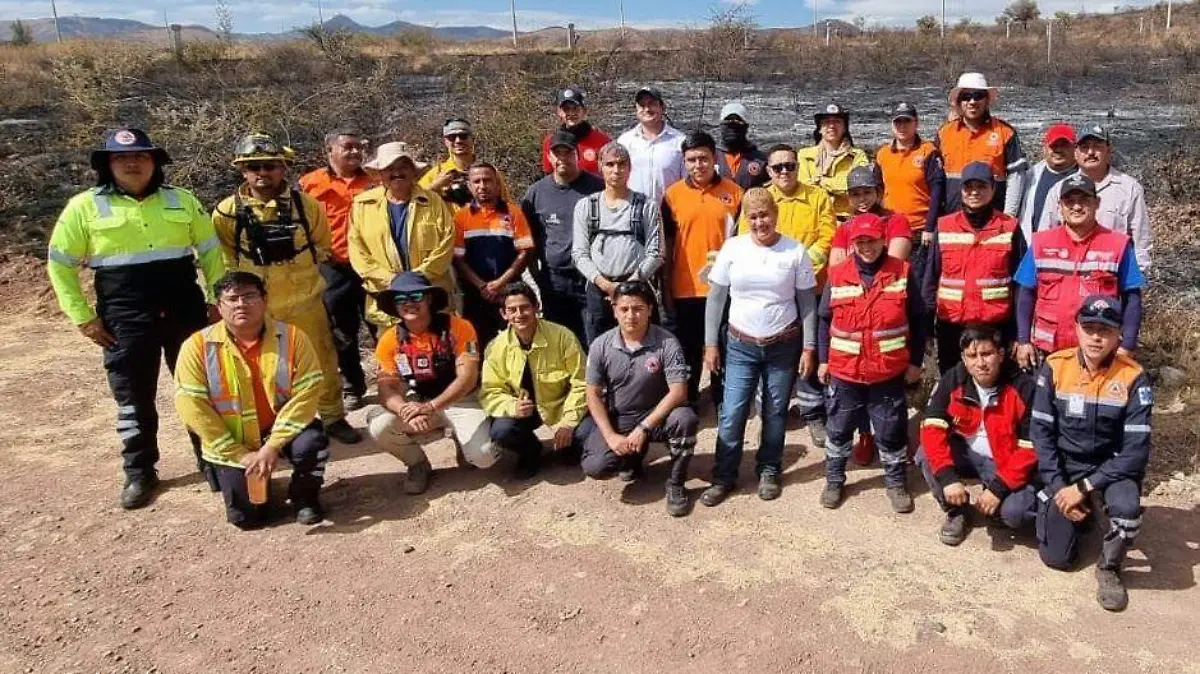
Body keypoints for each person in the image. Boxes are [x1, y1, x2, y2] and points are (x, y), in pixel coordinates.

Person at [47, 128, 226, 509]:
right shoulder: (84, 207)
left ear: (155, 163)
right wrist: (82, 318)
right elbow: (59, 266)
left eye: (142, 156)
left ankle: (213, 459)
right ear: (107, 165)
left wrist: (216, 299)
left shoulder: (182, 200)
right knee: (133, 397)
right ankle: (140, 471)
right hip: (125, 315)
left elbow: (211, 253)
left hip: (184, 309)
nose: (133, 163)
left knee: (201, 387)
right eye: (122, 158)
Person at [212, 132, 361, 445]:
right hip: (257, 307)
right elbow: (225, 258)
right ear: (243, 170)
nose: (263, 173)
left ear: (283, 168)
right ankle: (277, 425)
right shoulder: (227, 213)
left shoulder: (306, 207)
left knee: (322, 359)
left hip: (306, 301)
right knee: (264, 367)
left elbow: (322, 245)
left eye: (270, 165)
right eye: (254, 166)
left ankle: (332, 416)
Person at [174, 272, 329, 529]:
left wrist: (272, 446)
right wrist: (241, 455)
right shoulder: (196, 346)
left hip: (280, 429)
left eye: (249, 296)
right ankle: (262, 489)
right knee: (247, 519)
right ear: (218, 306)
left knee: (313, 442)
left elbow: (308, 393)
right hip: (233, 441)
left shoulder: (292, 338)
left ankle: (305, 497)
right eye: (232, 299)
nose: (241, 304)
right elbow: (192, 408)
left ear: (265, 300)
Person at [1032, 295, 1153, 612]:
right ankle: (1081, 517)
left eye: (1106, 330)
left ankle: (1110, 566)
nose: (1097, 337)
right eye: (1089, 328)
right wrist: (1060, 489)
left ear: (1118, 336)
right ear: (1077, 329)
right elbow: (1041, 436)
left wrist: (1084, 488)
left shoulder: (1133, 377)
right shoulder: (1055, 367)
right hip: (1066, 468)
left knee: (1126, 513)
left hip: (1111, 469)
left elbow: (1134, 454)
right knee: (1057, 560)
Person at [699, 188, 818, 506]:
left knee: (775, 411)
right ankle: (724, 475)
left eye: (764, 214)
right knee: (733, 410)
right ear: (745, 219)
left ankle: (769, 469)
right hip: (740, 344)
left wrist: (809, 347)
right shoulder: (733, 248)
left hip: (783, 345)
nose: (759, 222)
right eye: (752, 216)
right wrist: (711, 343)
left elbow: (807, 302)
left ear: (775, 215)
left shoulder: (794, 251)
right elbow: (716, 298)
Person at [817, 213, 927, 512]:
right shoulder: (838, 273)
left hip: (887, 371)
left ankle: (895, 483)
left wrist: (916, 361)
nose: (867, 246)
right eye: (860, 241)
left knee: (891, 431)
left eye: (872, 240)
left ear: (884, 241)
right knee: (839, 430)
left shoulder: (903, 271)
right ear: (853, 244)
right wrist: (823, 359)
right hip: (845, 371)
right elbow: (824, 318)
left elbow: (918, 319)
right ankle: (835, 479)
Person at [738, 143, 836, 442]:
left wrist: (801, 267)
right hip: (772, 294)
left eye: (790, 165)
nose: (784, 171)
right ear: (768, 170)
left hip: (811, 288)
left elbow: (828, 236)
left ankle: (812, 413)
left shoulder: (817, 197)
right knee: (770, 353)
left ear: (798, 166)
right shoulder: (759, 199)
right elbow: (746, 238)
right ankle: (766, 415)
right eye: (777, 167)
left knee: (810, 350)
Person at [365, 272, 496, 494]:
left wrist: (431, 407)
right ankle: (417, 464)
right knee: (379, 427)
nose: (409, 303)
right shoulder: (389, 339)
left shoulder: (460, 327)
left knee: (484, 457)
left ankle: (461, 438)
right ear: (394, 306)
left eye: (416, 296)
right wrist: (405, 409)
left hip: (462, 401)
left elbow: (468, 377)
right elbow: (387, 388)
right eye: (400, 299)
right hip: (418, 404)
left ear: (429, 299)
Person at [579, 281, 699, 517]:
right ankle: (632, 459)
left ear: (650, 310)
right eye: (624, 309)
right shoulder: (601, 345)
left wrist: (644, 427)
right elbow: (592, 393)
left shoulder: (667, 342)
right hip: (622, 417)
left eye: (638, 309)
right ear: (614, 310)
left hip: (658, 416)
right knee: (596, 466)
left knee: (685, 418)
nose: (631, 315)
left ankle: (676, 483)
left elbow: (678, 392)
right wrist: (611, 436)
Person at [917, 324, 1038, 546]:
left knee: (1016, 514)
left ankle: (995, 509)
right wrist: (948, 479)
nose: (980, 363)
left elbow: (1030, 448)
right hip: (967, 454)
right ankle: (958, 510)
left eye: (986, 354)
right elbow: (932, 426)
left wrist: (998, 489)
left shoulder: (1024, 387)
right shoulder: (953, 379)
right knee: (925, 455)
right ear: (964, 358)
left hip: (1003, 461)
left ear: (1001, 355)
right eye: (972, 356)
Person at [1013, 174, 1145, 370]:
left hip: (1098, 352)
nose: (1076, 207)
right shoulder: (1041, 242)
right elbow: (1025, 293)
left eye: (1084, 200)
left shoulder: (1118, 245)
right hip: (1048, 352)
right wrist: (1023, 340)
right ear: (1060, 206)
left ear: (1097, 203)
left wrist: (1127, 345)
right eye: (1070, 201)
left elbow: (1132, 298)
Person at [662, 129, 744, 404]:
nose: (698, 165)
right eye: (692, 159)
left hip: (724, 288)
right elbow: (668, 246)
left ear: (714, 158)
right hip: (685, 288)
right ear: (684, 162)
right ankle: (689, 400)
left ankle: (722, 398)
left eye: (703, 158)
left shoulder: (734, 194)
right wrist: (666, 288)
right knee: (688, 350)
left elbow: (743, 243)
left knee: (723, 345)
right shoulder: (672, 196)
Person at [923, 162, 1024, 373]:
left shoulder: (1010, 228)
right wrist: (926, 328)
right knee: (955, 391)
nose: (974, 192)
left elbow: (1021, 286)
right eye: (969, 187)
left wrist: (1018, 334)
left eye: (981, 186)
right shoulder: (944, 226)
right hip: (952, 328)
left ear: (993, 189)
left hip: (996, 328)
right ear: (961, 190)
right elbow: (930, 280)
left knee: (997, 391)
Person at [480, 282, 588, 479]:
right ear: (504, 314)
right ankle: (531, 452)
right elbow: (490, 392)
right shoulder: (496, 347)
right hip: (524, 412)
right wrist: (512, 406)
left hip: (559, 408)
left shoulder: (562, 336)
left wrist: (568, 423)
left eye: (524, 307)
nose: (519, 314)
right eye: (512, 310)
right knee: (502, 431)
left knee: (585, 434)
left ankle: (566, 444)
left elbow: (582, 382)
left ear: (536, 307)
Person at [299, 128, 374, 410]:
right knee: (341, 332)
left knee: (382, 326)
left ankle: (397, 385)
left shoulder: (375, 180)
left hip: (371, 266)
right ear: (329, 151)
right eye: (348, 147)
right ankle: (353, 386)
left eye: (359, 146)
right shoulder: (309, 184)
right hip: (333, 268)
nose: (355, 152)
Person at [348, 142, 455, 327]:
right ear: (380, 173)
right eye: (390, 168)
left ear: (413, 171)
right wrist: (392, 280)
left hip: (429, 298)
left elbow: (446, 244)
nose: (397, 173)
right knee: (390, 353)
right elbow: (358, 253)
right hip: (385, 298)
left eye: (403, 167)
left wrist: (416, 280)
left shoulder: (434, 202)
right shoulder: (361, 205)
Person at [571, 141, 664, 345]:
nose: (616, 170)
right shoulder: (586, 206)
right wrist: (605, 285)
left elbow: (656, 252)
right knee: (600, 348)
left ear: (630, 168)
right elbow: (579, 253)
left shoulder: (646, 206)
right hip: (599, 289)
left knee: (643, 348)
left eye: (622, 164)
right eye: (610, 164)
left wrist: (630, 283)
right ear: (600, 167)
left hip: (637, 286)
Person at [522, 130, 605, 345]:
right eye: (556, 154)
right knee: (560, 342)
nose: (562, 159)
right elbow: (528, 239)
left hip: (590, 278)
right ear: (549, 157)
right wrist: (537, 277)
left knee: (593, 339)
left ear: (577, 155)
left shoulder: (599, 188)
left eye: (567, 153)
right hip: (554, 281)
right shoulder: (536, 193)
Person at [1046, 124, 1152, 269]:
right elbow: (1047, 236)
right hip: (1070, 275)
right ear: (1076, 153)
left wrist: (1138, 278)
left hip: (1113, 276)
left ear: (1109, 151)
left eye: (1097, 146)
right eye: (1084, 147)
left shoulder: (1130, 189)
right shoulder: (1058, 190)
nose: (1090, 152)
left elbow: (1141, 241)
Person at [453, 162, 536, 348]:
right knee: (476, 344)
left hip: (509, 292)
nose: (482, 186)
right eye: (477, 181)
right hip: (475, 294)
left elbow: (525, 253)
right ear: (469, 186)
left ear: (497, 184)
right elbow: (458, 259)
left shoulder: (513, 213)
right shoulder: (461, 217)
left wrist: (500, 284)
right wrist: (482, 286)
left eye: (487, 180)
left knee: (517, 342)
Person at [936, 72, 1028, 216]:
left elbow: (1016, 176)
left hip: (994, 220)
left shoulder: (1005, 132)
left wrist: (1009, 214)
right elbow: (935, 179)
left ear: (987, 100)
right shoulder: (944, 133)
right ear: (959, 102)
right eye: (966, 97)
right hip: (952, 219)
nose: (972, 101)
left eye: (978, 96)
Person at [875, 102, 945, 279]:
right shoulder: (883, 154)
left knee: (917, 282)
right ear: (892, 125)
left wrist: (930, 227)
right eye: (898, 122)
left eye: (907, 121)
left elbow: (937, 191)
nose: (902, 126)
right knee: (891, 280)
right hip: (890, 228)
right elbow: (877, 191)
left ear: (916, 123)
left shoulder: (928, 151)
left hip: (919, 230)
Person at [797, 103, 870, 221]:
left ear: (845, 127)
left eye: (837, 121)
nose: (832, 126)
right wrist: (838, 187)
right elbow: (805, 188)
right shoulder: (805, 155)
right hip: (816, 219)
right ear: (819, 129)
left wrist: (821, 181)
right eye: (826, 122)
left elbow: (858, 188)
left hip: (848, 219)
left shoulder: (857, 155)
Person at [828, 167, 913, 267]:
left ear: (877, 193)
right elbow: (835, 268)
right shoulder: (845, 228)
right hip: (852, 280)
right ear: (849, 197)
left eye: (867, 192)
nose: (862, 199)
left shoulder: (896, 221)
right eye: (855, 194)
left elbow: (895, 263)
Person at [418, 118, 510, 209]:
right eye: (452, 137)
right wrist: (436, 186)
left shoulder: (490, 172)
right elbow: (414, 202)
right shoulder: (437, 174)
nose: (458, 141)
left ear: (472, 139)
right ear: (445, 142)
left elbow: (507, 205)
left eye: (463, 136)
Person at [617, 86, 686, 205]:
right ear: (636, 110)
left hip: (669, 213)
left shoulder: (680, 141)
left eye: (652, 104)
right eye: (642, 105)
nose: (647, 109)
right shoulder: (625, 141)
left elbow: (688, 182)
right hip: (633, 213)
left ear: (663, 107)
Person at [1016, 123, 1077, 242]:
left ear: (1075, 148)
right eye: (1054, 146)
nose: (1058, 150)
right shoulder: (1031, 175)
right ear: (1044, 148)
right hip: (1031, 247)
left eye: (1064, 145)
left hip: (1066, 249)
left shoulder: (1083, 178)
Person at [540, 87, 611, 176]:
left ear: (584, 111)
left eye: (575, 108)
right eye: (566, 109)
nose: (571, 113)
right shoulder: (550, 141)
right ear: (559, 112)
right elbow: (548, 175)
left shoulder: (603, 141)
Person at [714, 101, 769, 190]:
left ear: (746, 126)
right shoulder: (710, 158)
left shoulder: (761, 160)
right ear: (720, 125)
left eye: (738, 122)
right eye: (727, 122)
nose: (732, 126)